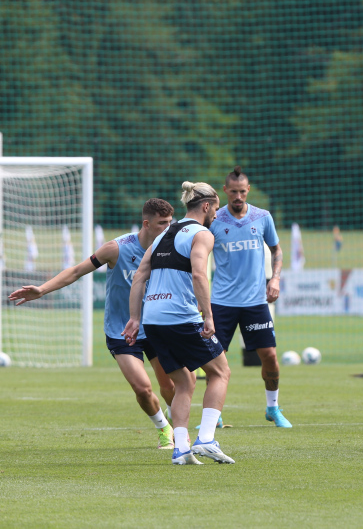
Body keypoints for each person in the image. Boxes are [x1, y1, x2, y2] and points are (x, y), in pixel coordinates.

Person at [9, 199, 176, 450]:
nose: (168, 228)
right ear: (147, 224)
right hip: (121, 329)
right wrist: (42, 290)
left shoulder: (171, 248)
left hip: (157, 326)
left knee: (171, 386)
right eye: (162, 224)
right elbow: (76, 271)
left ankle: (177, 422)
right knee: (142, 388)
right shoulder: (116, 248)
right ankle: (163, 427)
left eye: (170, 223)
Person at [124, 181, 234, 465]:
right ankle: (207, 439)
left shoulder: (162, 235)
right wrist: (208, 316)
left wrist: (135, 318)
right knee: (220, 372)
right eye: (217, 209)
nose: (217, 216)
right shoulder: (202, 234)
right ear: (206, 206)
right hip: (180, 316)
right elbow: (199, 274)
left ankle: (181, 449)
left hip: (153, 319)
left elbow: (139, 277)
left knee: (184, 382)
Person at [209, 166, 291, 428]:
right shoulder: (213, 221)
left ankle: (273, 408)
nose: (238, 197)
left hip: (255, 302)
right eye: (233, 192)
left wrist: (275, 278)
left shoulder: (262, 217)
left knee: (270, 357)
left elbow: (277, 251)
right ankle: (214, 414)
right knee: (213, 360)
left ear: (248, 190)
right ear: (225, 191)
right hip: (221, 302)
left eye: (242, 192)